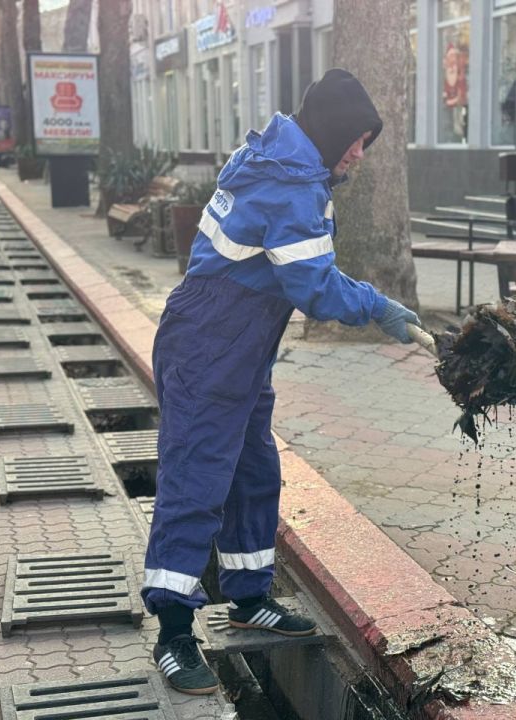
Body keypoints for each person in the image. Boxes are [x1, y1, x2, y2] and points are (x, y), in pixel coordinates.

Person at [142, 68, 421, 695]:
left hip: (235, 347)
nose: (358, 152)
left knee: (253, 470)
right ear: (327, 133)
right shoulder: (288, 185)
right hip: (210, 347)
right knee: (196, 478)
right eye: (355, 140)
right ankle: (174, 629)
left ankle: (248, 596)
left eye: (366, 142)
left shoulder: (289, 167)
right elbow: (314, 286)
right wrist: (378, 308)